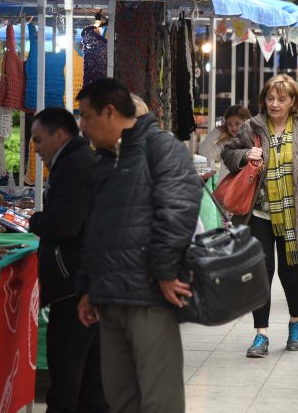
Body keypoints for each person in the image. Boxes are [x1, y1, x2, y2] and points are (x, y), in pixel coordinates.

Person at [75, 78, 201, 413]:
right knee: (120, 398)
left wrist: (162, 271)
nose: (82, 126)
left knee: (159, 399)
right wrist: (88, 287)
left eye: (86, 116)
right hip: (109, 296)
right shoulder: (105, 161)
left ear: (110, 112)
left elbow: (179, 211)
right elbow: (96, 228)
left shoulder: (161, 147)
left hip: (148, 296)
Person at [221, 75, 298, 358]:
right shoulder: (252, 126)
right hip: (258, 213)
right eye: (270, 98)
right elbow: (228, 152)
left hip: (294, 215)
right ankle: (261, 334)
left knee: (289, 272)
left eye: (281, 99)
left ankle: (296, 322)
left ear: (293, 101)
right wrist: (247, 154)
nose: (274, 104)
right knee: (262, 271)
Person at [27, 107, 107, 413]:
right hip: (86, 281)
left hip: (73, 286)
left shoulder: (73, 165)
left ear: (59, 135)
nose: (35, 148)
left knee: (68, 380)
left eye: (38, 140)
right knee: (90, 381)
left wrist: (36, 221)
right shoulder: (80, 160)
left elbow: (64, 224)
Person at [198, 105, 251, 180]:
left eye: (237, 123)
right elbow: (203, 150)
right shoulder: (225, 143)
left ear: (246, 122)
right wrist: (217, 131)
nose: (233, 128)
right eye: (229, 124)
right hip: (226, 189)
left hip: (245, 188)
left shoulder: (253, 142)